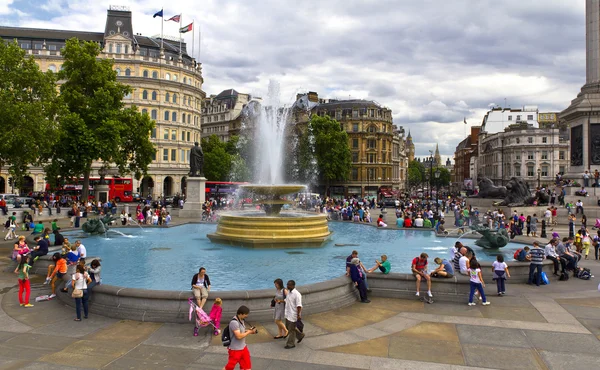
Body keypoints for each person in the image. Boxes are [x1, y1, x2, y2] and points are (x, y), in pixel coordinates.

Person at [223, 305, 257, 370]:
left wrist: (250, 330)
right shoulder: (234, 322)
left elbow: (241, 331)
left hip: (243, 348)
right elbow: (238, 336)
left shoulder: (241, 320)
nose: (247, 316)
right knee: (229, 367)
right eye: (245, 314)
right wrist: (249, 332)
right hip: (235, 350)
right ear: (241, 314)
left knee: (247, 367)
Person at [284, 280, 304, 349]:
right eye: (287, 285)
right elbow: (287, 301)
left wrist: (298, 315)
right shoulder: (289, 292)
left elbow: (299, 306)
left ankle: (290, 344)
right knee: (288, 327)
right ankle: (300, 335)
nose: (287, 286)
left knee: (291, 330)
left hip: (293, 315)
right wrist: (280, 301)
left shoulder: (297, 294)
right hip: (288, 314)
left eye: (289, 285)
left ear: (293, 285)